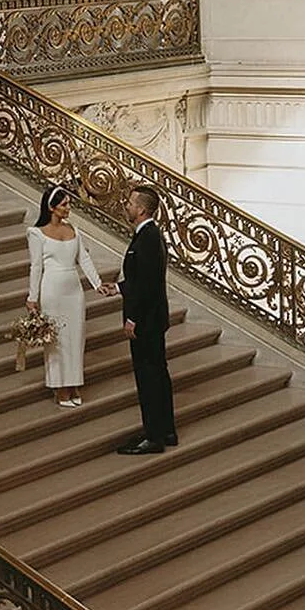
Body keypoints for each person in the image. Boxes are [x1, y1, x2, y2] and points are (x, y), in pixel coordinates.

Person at [109, 183, 177, 454]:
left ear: (142, 209)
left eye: (130, 202)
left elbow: (147, 285)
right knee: (159, 374)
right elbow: (139, 279)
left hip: (146, 322)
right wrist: (116, 288)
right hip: (153, 319)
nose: (126, 205)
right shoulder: (150, 235)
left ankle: (153, 436)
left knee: (149, 377)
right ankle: (165, 429)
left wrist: (133, 318)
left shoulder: (147, 238)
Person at [25, 184, 102, 406]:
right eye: (64, 204)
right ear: (52, 207)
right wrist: (32, 297)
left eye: (69, 204)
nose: (68, 208)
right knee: (57, 340)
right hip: (52, 290)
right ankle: (59, 387)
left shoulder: (74, 230)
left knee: (76, 338)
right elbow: (36, 267)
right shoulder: (36, 234)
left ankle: (74, 383)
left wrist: (97, 284)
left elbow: (84, 259)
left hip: (74, 291)